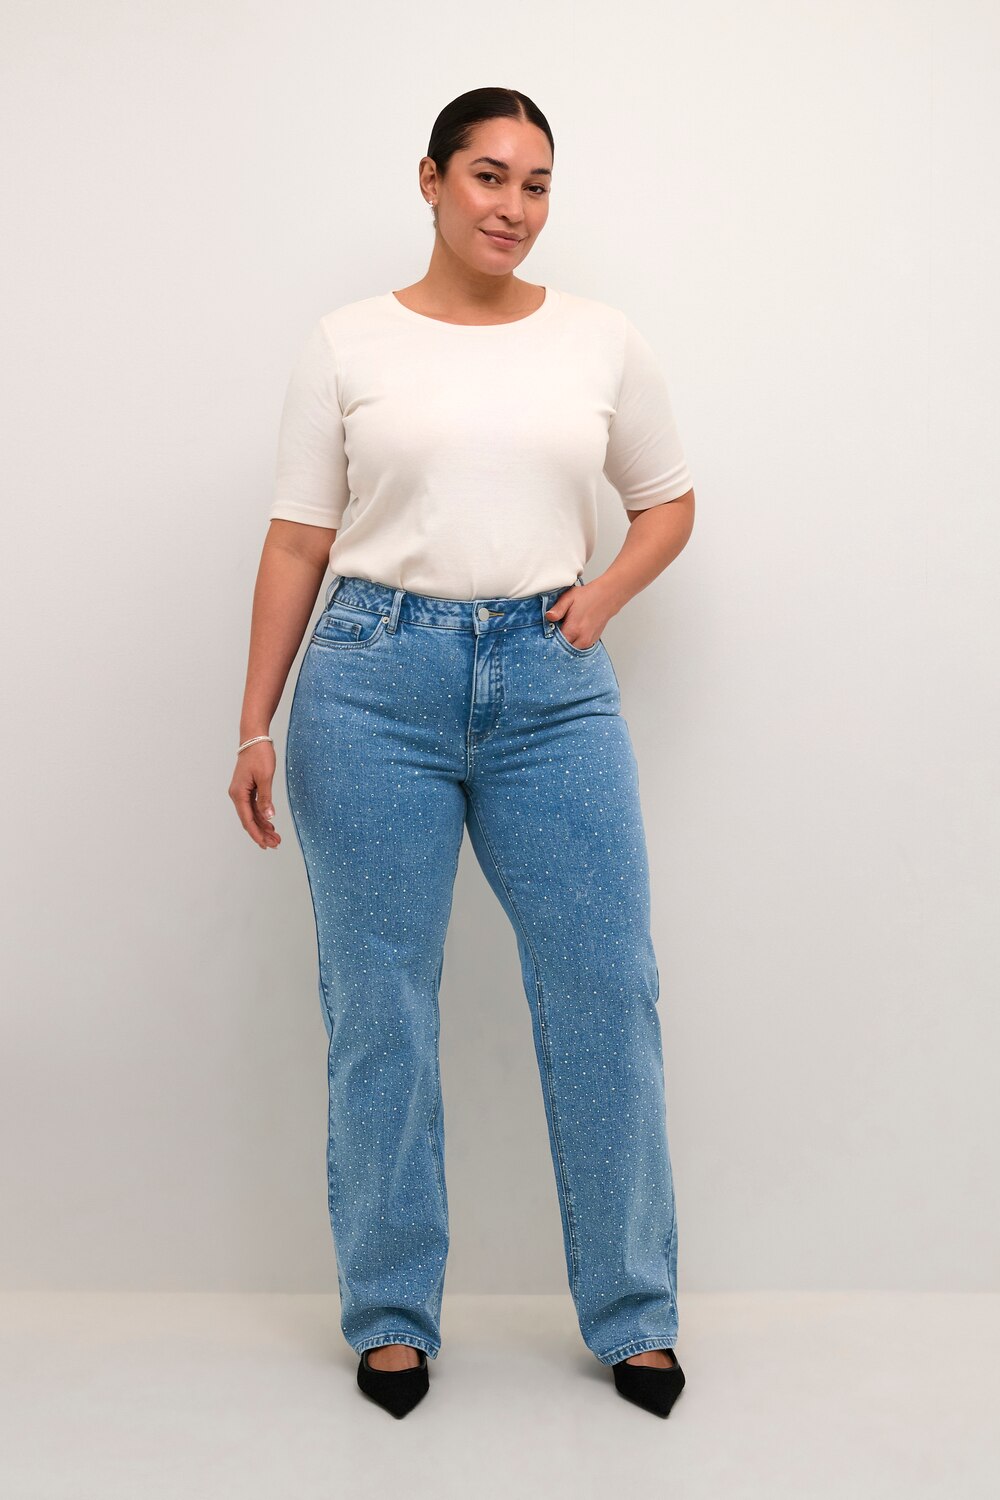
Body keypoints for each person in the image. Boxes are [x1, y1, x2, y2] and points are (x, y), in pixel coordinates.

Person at [229, 86, 694, 1421]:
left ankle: (634, 1313)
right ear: (430, 181)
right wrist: (255, 720)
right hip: (372, 686)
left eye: (537, 184)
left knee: (606, 987)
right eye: (489, 176)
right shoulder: (349, 342)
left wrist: (599, 600)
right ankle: (391, 1316)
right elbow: (300, 539)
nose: (515, 206)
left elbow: (667, 503)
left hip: (554, 692)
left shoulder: (600, 339)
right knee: (380, 1004)